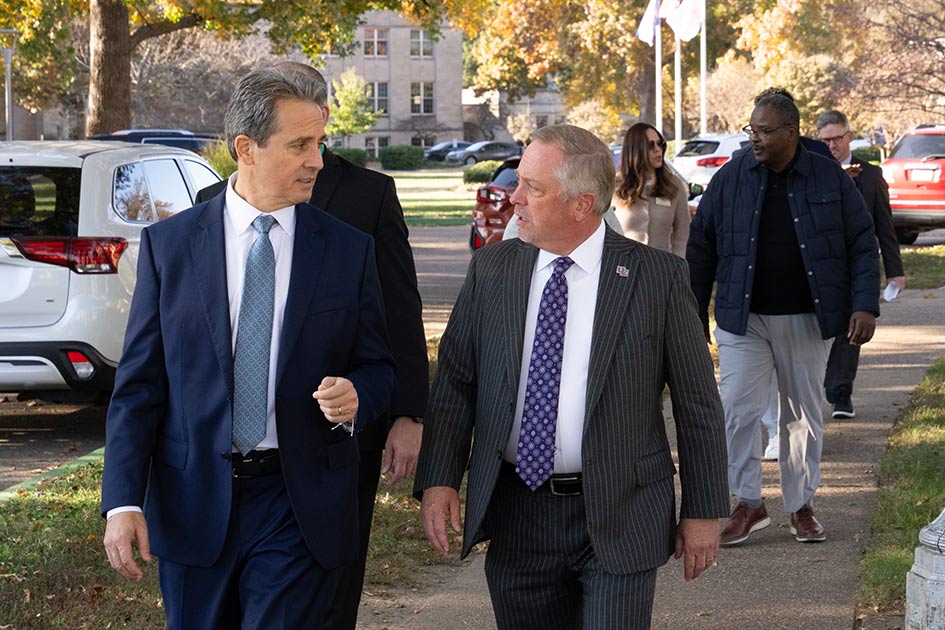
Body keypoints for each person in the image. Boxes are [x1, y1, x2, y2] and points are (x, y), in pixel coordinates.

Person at [101, 64, 397, 628]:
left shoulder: (346, 250)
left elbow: (381, 365)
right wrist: (123, 502)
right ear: (247, 148)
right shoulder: (171, 248)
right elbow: (138, 389)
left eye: (321, 143)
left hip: (298, 502)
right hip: (193, 503)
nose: (318, 160)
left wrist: (359, 391)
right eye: (301, 145)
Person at [415, 124, 729, 629]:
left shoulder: (656, 278)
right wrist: (439, 479)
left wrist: (703, 510)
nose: (514, 198)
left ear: (583, 205)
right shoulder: (492, 270)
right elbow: (456, 382)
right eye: (519, 181)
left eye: (532, 189)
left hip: (620, 512)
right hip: (518, 514)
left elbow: (698, 406)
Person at [195, 62, 429, 630]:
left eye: (319, 115)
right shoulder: (208, 203)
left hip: (339, 433)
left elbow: (399, 310)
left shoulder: (369, 193)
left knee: (333, 582)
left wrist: (409, 413)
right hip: (231, 462)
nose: (314, 144)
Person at [687, 91, 880, 547]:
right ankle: (748, 502)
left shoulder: (828, 177)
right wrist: (691, 316)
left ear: (791, 133)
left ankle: (800, 505)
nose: (754, 138)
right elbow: (701, 248)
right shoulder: (731, 178)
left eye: (765, 131)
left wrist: (864, 304)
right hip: (743, 317)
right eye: (751, 129)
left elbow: (860, 240)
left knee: (802, 416)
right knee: (736, 408)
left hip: (806, 317)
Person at [816, 109, 904, 419]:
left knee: (852, 327)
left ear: (849, 136)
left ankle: (841, 393)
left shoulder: (871, 175)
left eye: (837, 139)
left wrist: (895, 271)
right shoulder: (813, 173)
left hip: (857, 264)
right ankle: (819, 384)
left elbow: (885, 226)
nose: (832, 146)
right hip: (821, 264)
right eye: (825, 140)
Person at [612, 122, 690, 257]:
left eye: (660, 144)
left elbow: (682, 237)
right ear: (635, 149)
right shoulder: (614, 186)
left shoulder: (674, 185)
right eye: (650, 145)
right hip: (624, 270)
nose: (657, 149)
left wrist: (678, 268)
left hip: (662, 270)